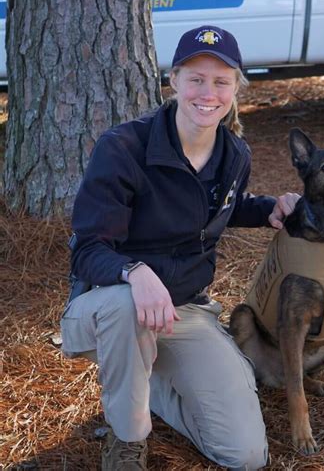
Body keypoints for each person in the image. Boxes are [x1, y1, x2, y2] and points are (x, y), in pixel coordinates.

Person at [60, 25, 299, 470]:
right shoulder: (124, 148)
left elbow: (215, 204)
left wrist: (271, 208)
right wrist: (135, 273)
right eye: (196, 79)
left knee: (245, 455)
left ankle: (146, 387)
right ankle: (127, 439)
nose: (208, 92)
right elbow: (88, 249)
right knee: (127, 308)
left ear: (235, 89)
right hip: (109, 309)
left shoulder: (234, 154)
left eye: (221, 81)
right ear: (174, 82)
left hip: (183, 310)